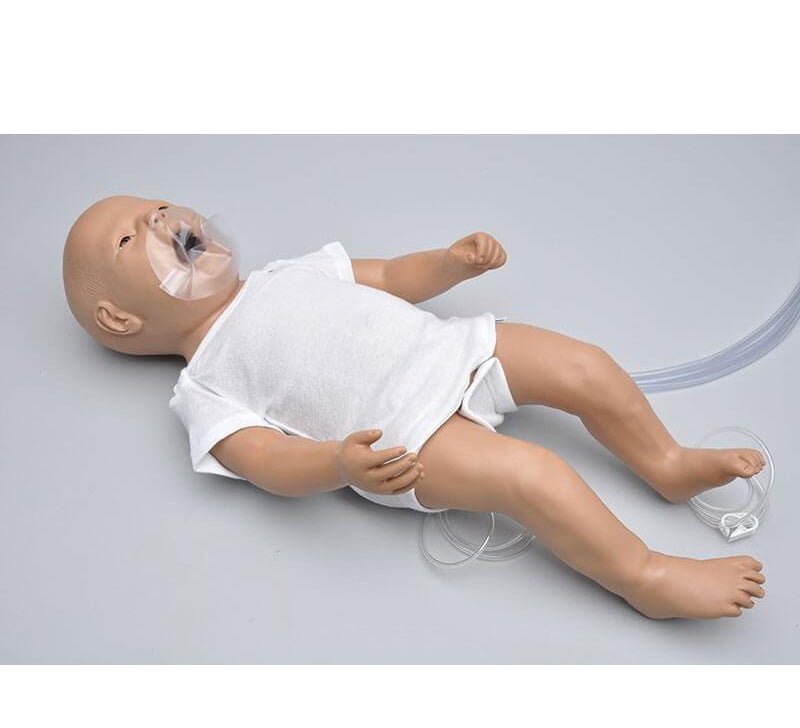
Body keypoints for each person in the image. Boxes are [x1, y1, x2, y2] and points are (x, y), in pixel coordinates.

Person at [62, 195, 767, 620]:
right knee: (535, 478)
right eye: (129, 237)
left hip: (453, 350)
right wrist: (337, 465)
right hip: (409, 439)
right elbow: (266, 460)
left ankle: (666, 462)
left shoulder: (289, 271)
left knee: (585, 365)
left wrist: (450, 263)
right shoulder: (203, 387)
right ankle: (644, 575)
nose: (158, 219)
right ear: (119, 319)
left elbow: (392, 277)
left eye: (157, 207)